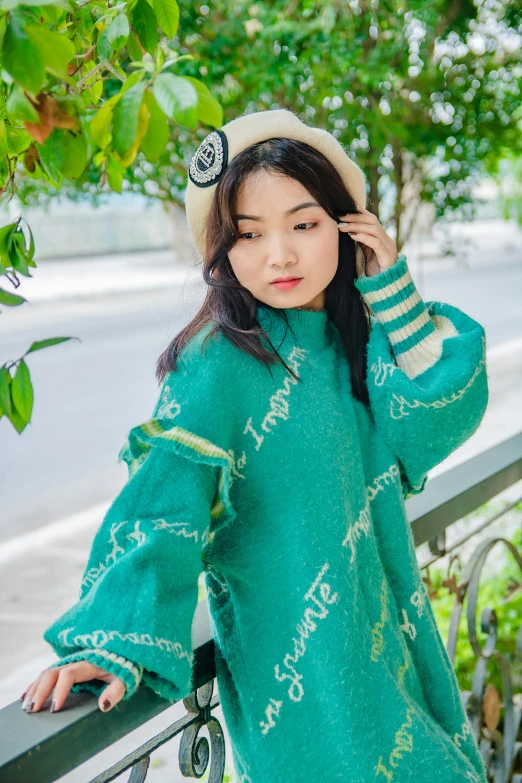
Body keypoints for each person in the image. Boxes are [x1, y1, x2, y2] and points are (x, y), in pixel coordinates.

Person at [20, 108, 490, 783]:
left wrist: (391, 289)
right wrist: (112, 637)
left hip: (395, 659)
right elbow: (161, 503)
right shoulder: (218, 362)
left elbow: (434, 424)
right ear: (223, 250)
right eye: (248, 234)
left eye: (304, 224)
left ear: (344, 225)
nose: (280, 255)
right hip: (305, 696)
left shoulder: (349, 341)